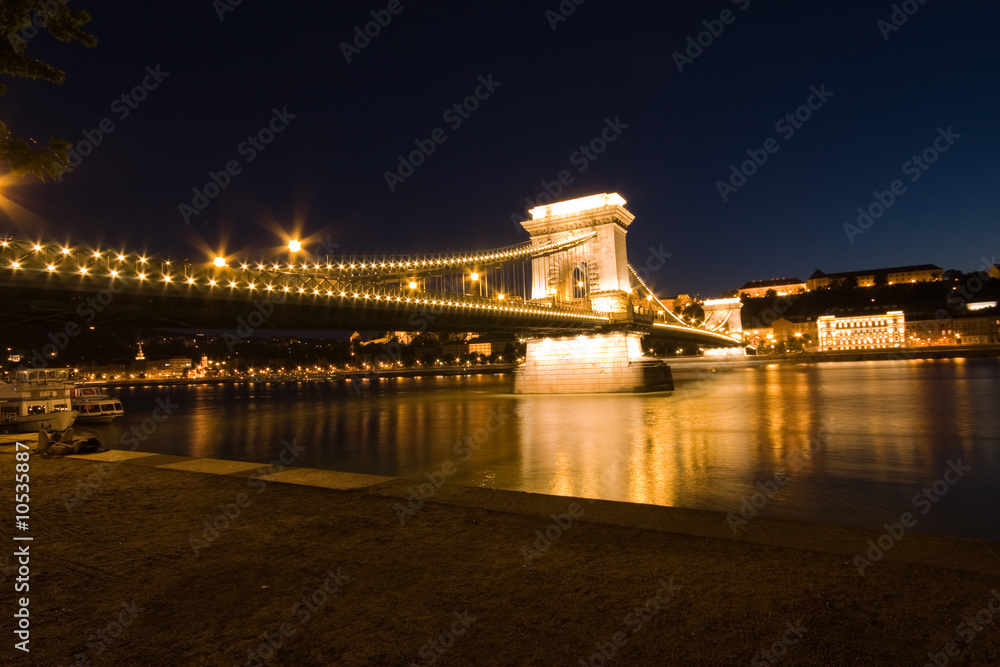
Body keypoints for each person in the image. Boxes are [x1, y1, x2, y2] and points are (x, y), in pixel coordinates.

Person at [36, 429, 103, 456]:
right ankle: (53, 437)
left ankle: (39, 449)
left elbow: (54, 447)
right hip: (63, 443)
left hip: (48, 447)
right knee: (70, 430)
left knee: (42, 432)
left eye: (79, 441)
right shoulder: (77, 447)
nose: (79, 440)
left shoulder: (66, 448)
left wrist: (57, 443)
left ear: (80, 445)